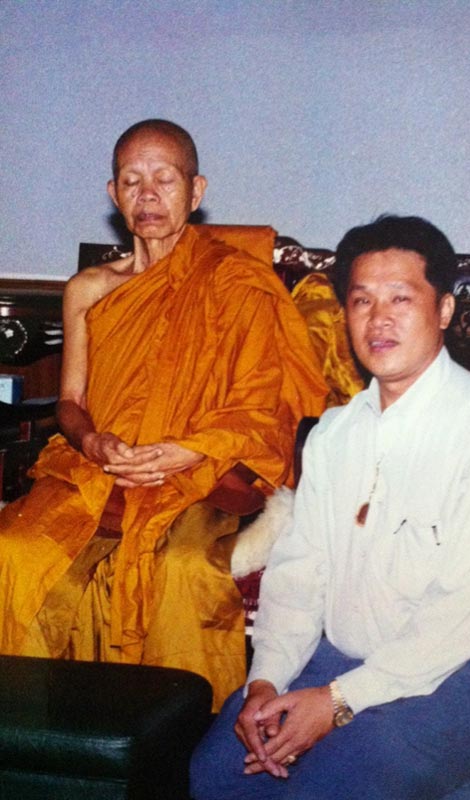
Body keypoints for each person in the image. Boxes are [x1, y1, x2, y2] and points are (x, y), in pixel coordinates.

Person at [189, 215, 470, 799]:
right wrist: (266, 681)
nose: (378, 319)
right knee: (217, 774)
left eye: (400, 299)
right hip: (338, 660)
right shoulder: (334, 434)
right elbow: (299, 577)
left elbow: (460, 616)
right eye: (361, 301)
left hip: (469, 676)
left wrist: (337, 703)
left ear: (444, 310)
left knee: (329, 785)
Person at [0, 119, 328, 710]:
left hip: (204, 473)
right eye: (132, 181)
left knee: (182, 567)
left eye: (164, 180)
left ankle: (186, 736)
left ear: (195, 192)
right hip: (98, 468)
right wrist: (93, 442)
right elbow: (70, 402)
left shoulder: (237, 282)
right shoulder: (90, 289)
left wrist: (190, 450)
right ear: (113, 194)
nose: (147, 195)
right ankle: (35, 728)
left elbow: (260, 405)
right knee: (15, 549)